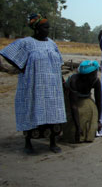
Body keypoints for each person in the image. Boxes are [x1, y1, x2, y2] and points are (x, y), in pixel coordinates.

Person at [0, 14, 66, 154]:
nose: (47, 30)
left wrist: (61, 80)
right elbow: (7, 53)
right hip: (33, 84)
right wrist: (21, 65)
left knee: (53, 112)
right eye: (44, 27)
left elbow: (59, 63)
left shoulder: (51, 43)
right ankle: (28, 143)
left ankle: (52, 142)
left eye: (48, 27)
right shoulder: (26, 43)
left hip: (52, 86)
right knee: (32, 109)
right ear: (36, 29)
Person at [62, 60, 102, 143]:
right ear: (85, 76)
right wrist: (78, 127)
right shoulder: (74, 81)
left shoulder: (96, 81)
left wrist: (98, 121)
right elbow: (74, 106)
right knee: (75, 116)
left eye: (95, 74)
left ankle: (88, 134)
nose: (95, 76)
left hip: (85, 97)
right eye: (92, 75)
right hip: (70, 97)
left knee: (91, 110)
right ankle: (74, 132)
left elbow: (98, 102)